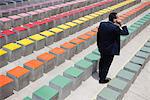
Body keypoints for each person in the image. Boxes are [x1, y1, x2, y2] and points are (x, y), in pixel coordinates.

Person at [97, 12, 129, 84]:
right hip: (110, 50)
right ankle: (102, 79)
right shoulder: (115, 28)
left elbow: (98, 36)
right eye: (117, 17)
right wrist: (122, 24)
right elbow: (126, 32)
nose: (119, 19)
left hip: (102, 48)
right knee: (107, 64)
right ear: (114, 19)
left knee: (102, 61)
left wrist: (98, 45)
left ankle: (100, 75)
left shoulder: (102, 24)